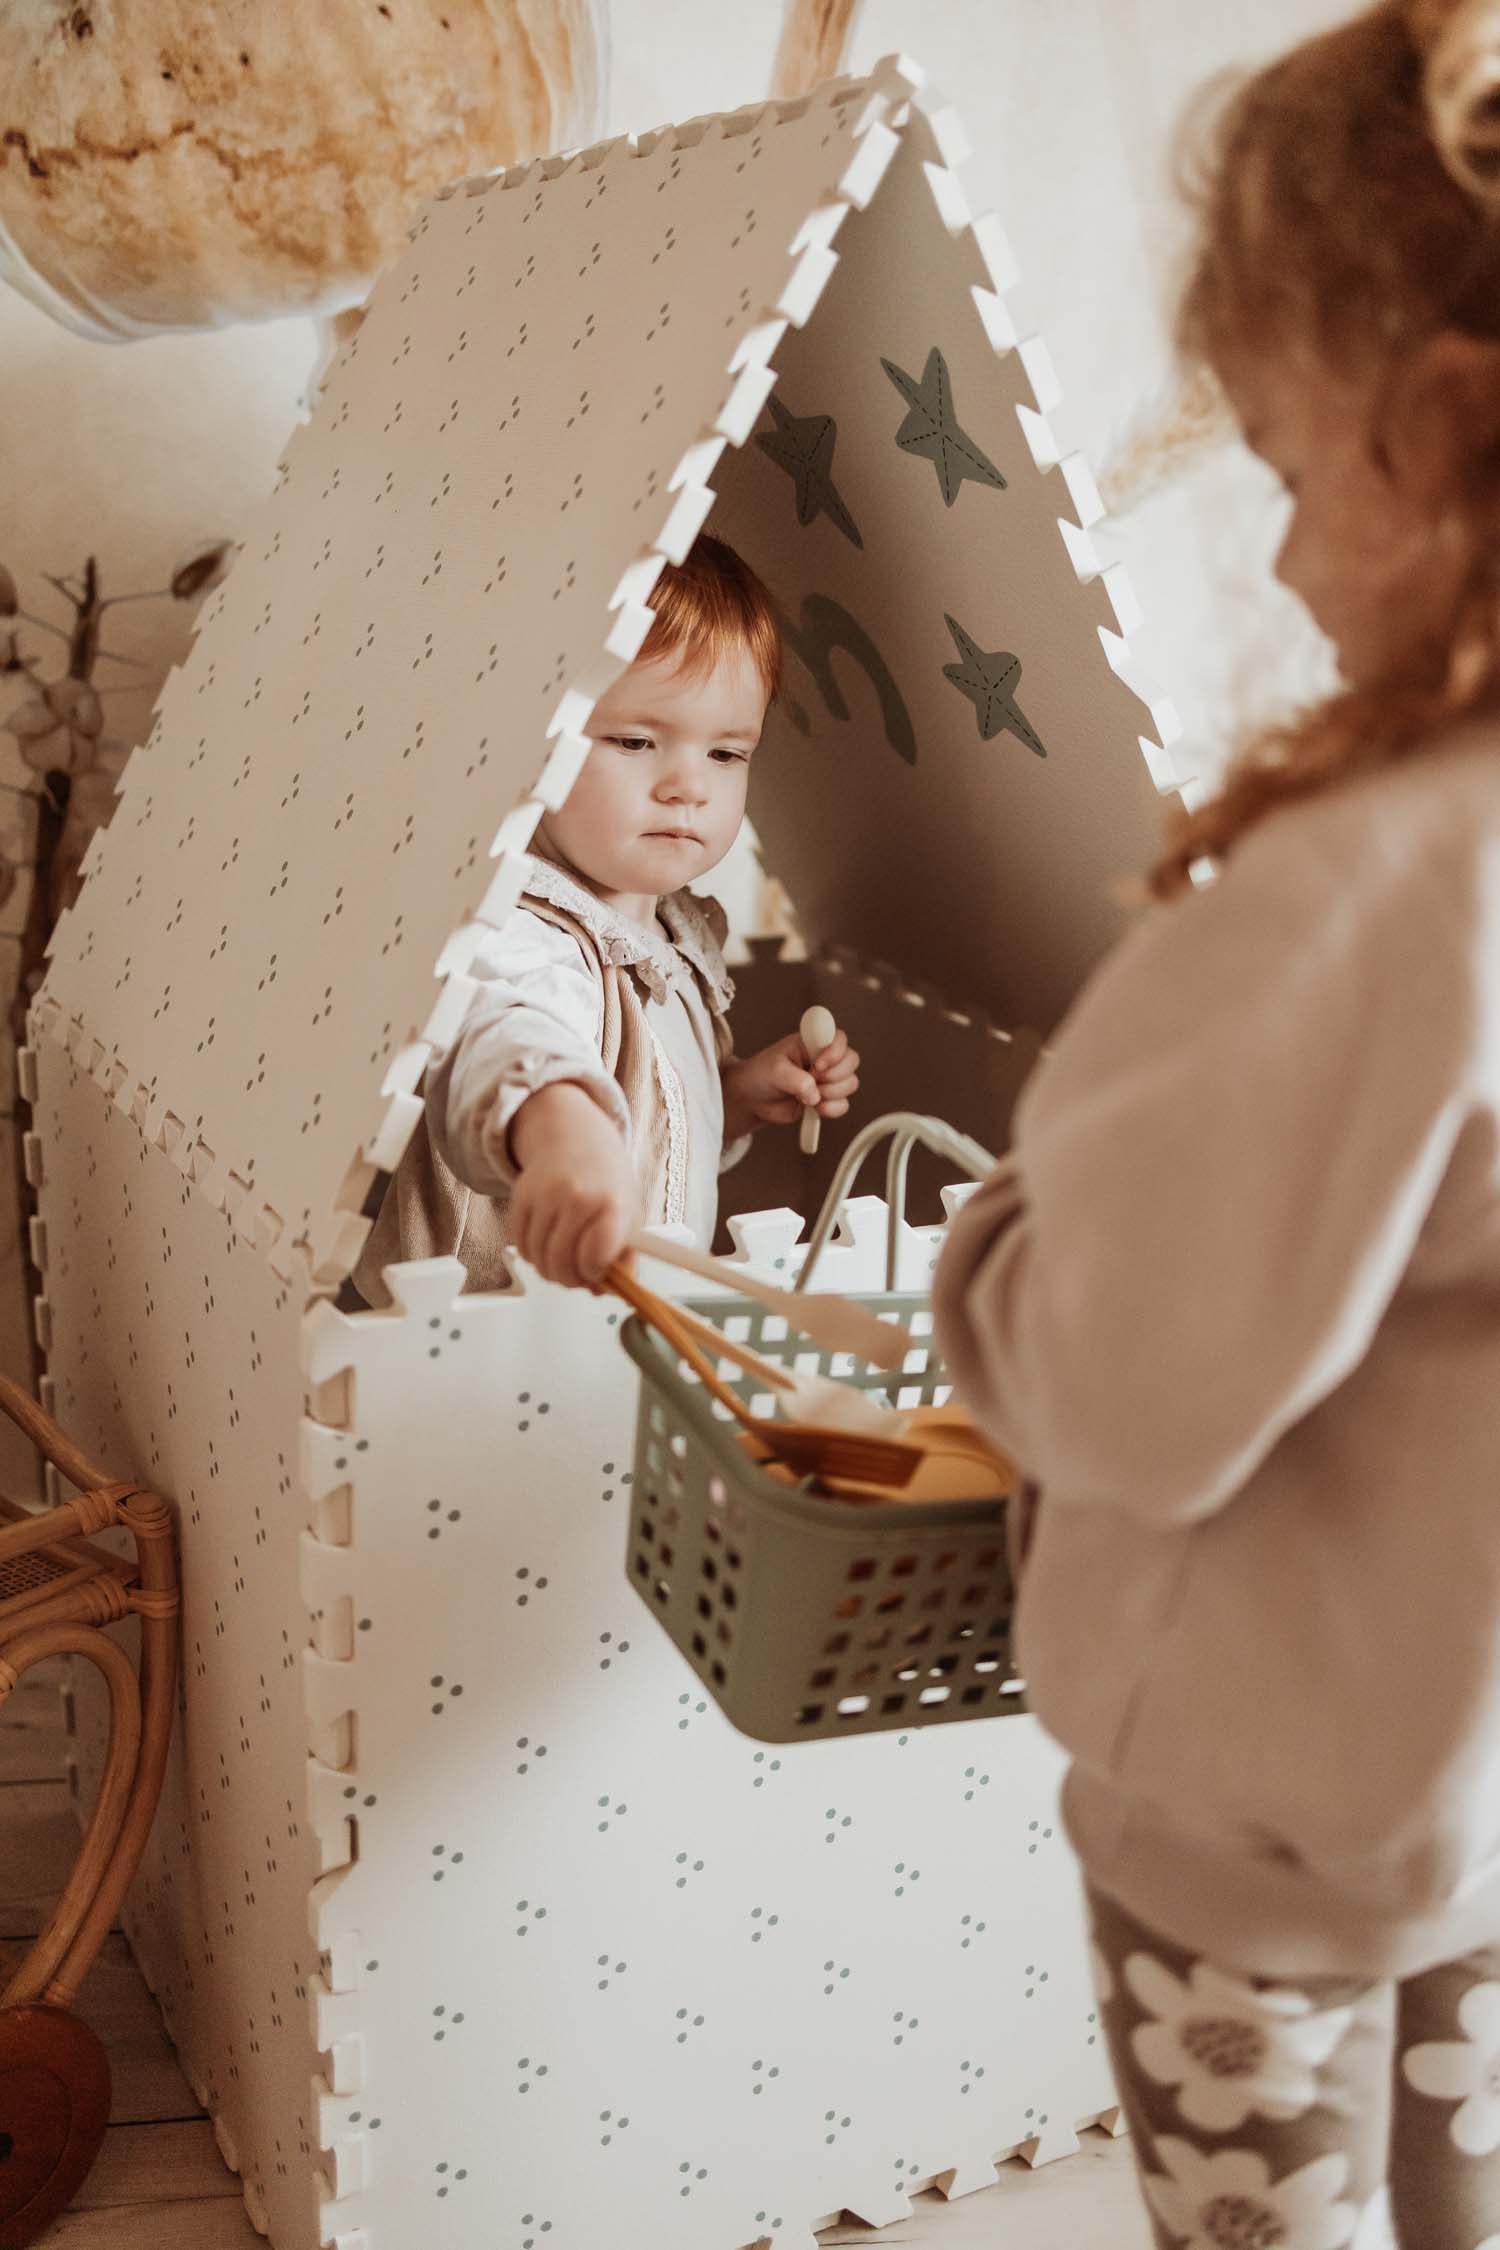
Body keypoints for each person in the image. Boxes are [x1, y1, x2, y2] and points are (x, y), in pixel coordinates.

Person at [932, 5, 1500, 2244]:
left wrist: (994, 1254)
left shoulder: (1372, 888)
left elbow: (1142, 1394)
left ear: (1446, 434)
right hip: (1460, 1762)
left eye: (1280, 467)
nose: (1270, 559)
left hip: (1260, 1823)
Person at [353, 534, 858, 1304]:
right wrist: (563, 1135)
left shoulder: (673, 939)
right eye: (634, 740)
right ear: (532, 739)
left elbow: (651, 1135)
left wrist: (735, 1095)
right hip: (483, 1346)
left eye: (727, 754)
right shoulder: (517, 927)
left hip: (619, 1331)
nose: (688, 786)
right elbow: (504, 1045)